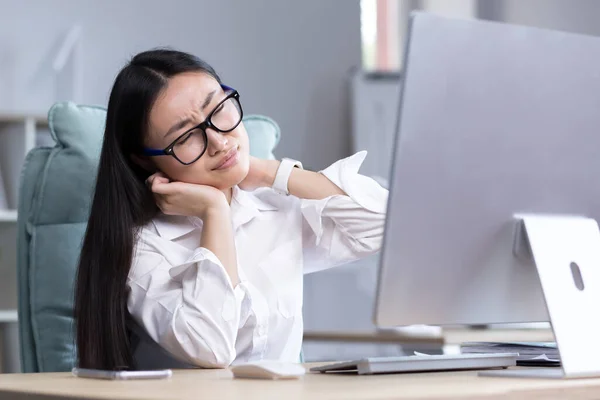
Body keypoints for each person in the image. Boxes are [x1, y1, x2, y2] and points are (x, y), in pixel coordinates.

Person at [74, 49, 388, 370]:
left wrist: (267, 171)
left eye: (218, 109)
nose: (219, 142)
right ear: (144, 159)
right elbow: (211, 349)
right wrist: (214, 213)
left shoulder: (269, 206)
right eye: (185, 136)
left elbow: (385, 227)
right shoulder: (142, 248)